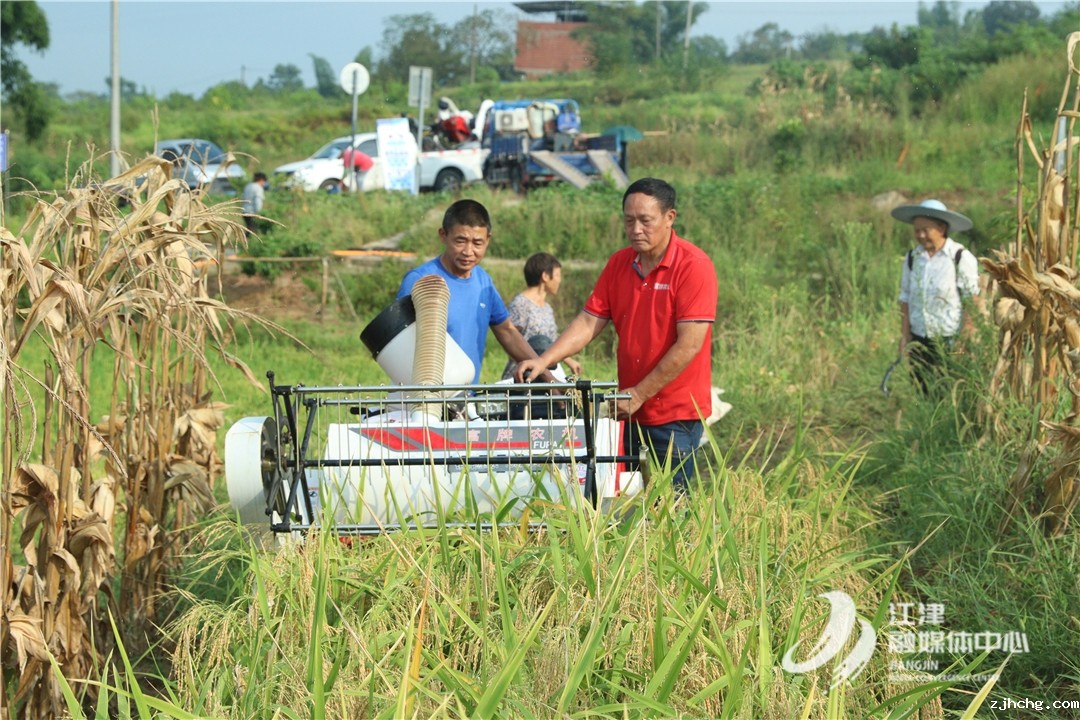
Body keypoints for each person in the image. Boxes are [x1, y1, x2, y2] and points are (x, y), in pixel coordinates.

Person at [515, 178, 718, 493]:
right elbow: (588, 322)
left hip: (675, 414)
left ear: (670, 217)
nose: (636, 229)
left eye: (645, 221)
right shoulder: (620, 263)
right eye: (629, 220)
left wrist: (639, 394)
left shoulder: (693, 267)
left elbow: (689, 345)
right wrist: (544, 360)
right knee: (628, 499)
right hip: (629, 409)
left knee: (672, 505)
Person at [397, 199, 552, 384]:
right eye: (460, 241)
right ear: (443, 235)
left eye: (477, 243)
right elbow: (397, 344)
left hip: (467, 397)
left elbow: (507, 332)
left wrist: (548, 379)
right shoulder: (420, 281)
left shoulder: (483, 282)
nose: (468, 251)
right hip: (424, 396)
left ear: (488, 240)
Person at [893, 198, 981, 395]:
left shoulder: (959, 257)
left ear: (941, 228)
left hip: (950, 339)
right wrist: (905, 336)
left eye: (926, 230)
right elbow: (905, 298)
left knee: (949, 390)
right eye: (917, 230)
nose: (921, 235)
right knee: (921, 390)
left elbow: (972, 299)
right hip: (919, 338)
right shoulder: (912, 258)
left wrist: (965, 338)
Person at [500, 253, 583, 381]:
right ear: (545, 276)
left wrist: (569, 361)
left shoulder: (547, 308)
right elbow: (510, 339)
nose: (559, 280)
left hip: (545, 374)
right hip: (521, 376)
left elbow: (552, 343)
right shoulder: (520, 304)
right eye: (557, 275)